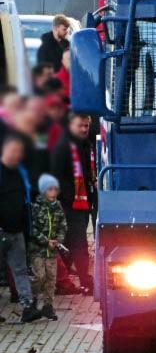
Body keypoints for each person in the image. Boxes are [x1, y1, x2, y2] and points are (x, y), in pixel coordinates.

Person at [49, 112, 96, 294]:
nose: (84, 129)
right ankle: (84, 280)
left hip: (80, 202)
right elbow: (56, 177)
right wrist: (67, 198)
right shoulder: (63, 148)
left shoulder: (83, 144)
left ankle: (63, 281)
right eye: (80, 126)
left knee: (70, 242)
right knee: (79, 242)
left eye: (86, 125)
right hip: (71, 204)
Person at [0, 137, 42, 323]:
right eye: (14, 152)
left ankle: (27, 307)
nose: (18, 156)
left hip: (17, 230)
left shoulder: (20, 172)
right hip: (3, 229)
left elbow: (27, 194)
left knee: (21, 270)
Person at [29, 173, 66, 321]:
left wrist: (58, 240)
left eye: (55, 189)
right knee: (39, 276)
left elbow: (63, 225)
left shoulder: (57, 207)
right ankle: (32, 301)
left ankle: (48, 305)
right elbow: (32, 229)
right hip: (38, 249)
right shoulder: (36, 207)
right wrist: (45, 241)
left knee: (51, 278)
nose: (53, 192)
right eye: (50, 189)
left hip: (51, 251)